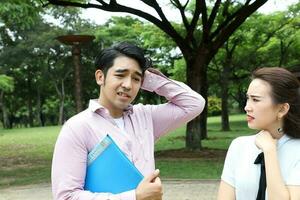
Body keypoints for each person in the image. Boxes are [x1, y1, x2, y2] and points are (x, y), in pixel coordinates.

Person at [51, 42, 205, 200]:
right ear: (100, 77)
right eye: (120, 75)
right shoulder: (77, 127)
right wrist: (135, 196)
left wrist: (147, 78)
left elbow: (194, 103)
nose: (128, 85)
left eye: (136, 79)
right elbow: (66, 196)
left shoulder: (146, 117)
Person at [217, 67, 300, 200]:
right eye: (248, 98)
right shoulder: (239, 146)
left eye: (255, 100)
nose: (247, 107)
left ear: (282, 109)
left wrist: (269, 151)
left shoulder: (297, 151)